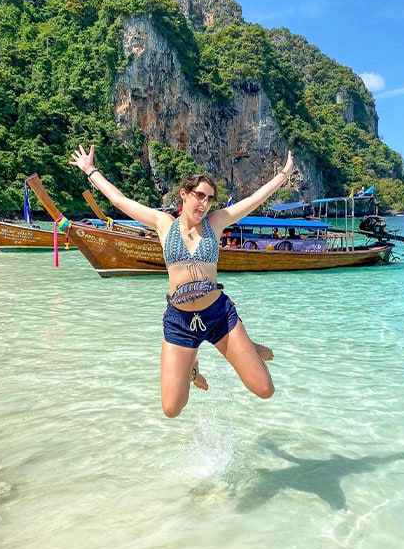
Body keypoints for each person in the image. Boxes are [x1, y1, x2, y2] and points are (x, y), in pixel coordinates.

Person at [70, 144, 293, 417]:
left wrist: (283, 175)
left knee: (264, 389)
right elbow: (120, 201)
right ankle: (193, 368)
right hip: (180, 321)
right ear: (184, 195)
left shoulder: (216, 222)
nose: (205, 203)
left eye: (210, 199)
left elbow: (255, 200)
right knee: (172, 408)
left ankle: (246, 346)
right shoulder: (164, 223)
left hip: (218, 315)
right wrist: (90, 170)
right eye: (200, 196)